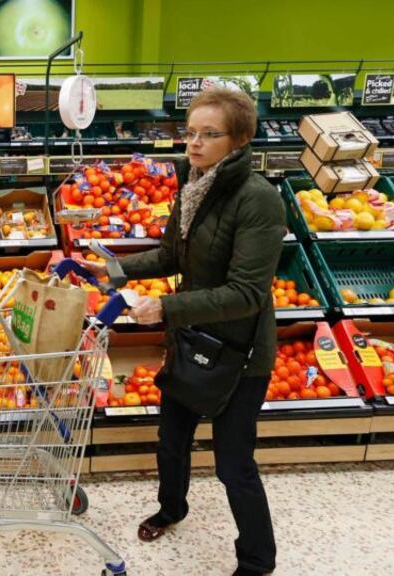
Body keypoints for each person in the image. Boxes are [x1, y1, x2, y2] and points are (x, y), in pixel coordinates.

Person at [113, 87, 284, 576]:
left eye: (209, 134)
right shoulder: (194, 184)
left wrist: (166, 307)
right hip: (193, 337)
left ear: (240, 140)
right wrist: (115, 269)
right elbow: (172, 256)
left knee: (234, 465)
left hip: (240, 351)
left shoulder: (258, 200)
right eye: (190, 133)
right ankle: (173, 508)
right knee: (171, 439)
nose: (193, 143)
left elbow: (248, 293)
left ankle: (256, 561)